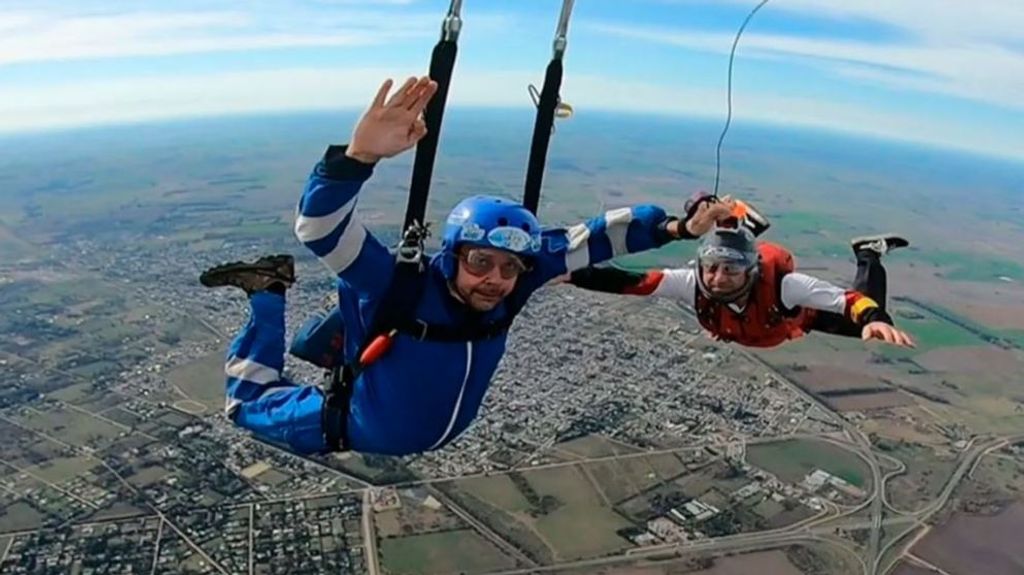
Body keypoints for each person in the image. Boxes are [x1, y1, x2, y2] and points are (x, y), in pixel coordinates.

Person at [199, 75, 696, 457]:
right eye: (481, 262)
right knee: (246, 405)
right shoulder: (399, 283)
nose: (495, 281)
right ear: (453, 254)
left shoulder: (516, 283)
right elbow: (319, 228)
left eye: (509, 268)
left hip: (406, 428)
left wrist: (678, 229)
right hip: (351, 425)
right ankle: (267, 291)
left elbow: (598, 237)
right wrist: (358, 158)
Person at [567, 197, 916, 349]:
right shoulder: (694, 283)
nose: (717, 279)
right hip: (771, 326)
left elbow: (847, 300)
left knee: (864, 330)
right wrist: (570, 274)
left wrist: (874, 316)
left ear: (750, 272)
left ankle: (868, 254)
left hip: (798, 318)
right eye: (712, 268)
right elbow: (632, 283)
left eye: (731, 271)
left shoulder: (786, 287)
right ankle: (740, 223)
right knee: (726, 252)